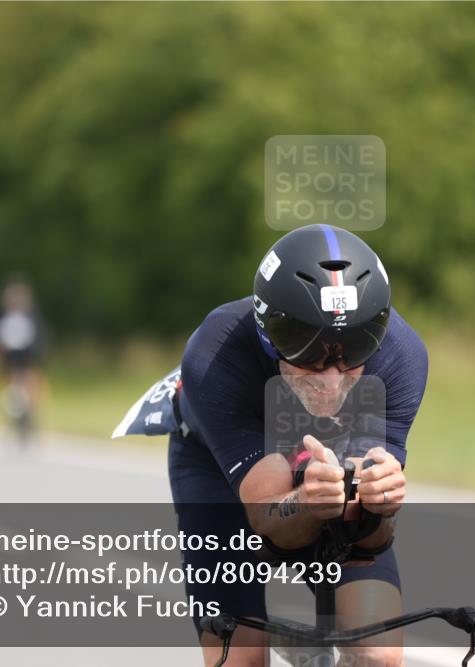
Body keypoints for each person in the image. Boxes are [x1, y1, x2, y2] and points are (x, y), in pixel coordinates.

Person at [114, 225, 428, 667]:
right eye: (307, 351)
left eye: (354, 349)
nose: (332, 377)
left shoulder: (402, 357)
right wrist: (304, 500)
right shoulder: (216, 353)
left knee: (377, 656)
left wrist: (380, 504)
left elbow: (368, 539)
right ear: (270, 333)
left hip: (324, 464)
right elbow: (269, 522)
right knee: (240, 659)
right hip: (219, 471)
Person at [0, 277, 47, 444]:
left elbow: (39, 340)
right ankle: (14, 425)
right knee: (11, 397)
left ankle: (29, 425)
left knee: (30, 396)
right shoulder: (4, 317)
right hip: (10, 364)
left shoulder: (32, 317)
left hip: (28, 362)